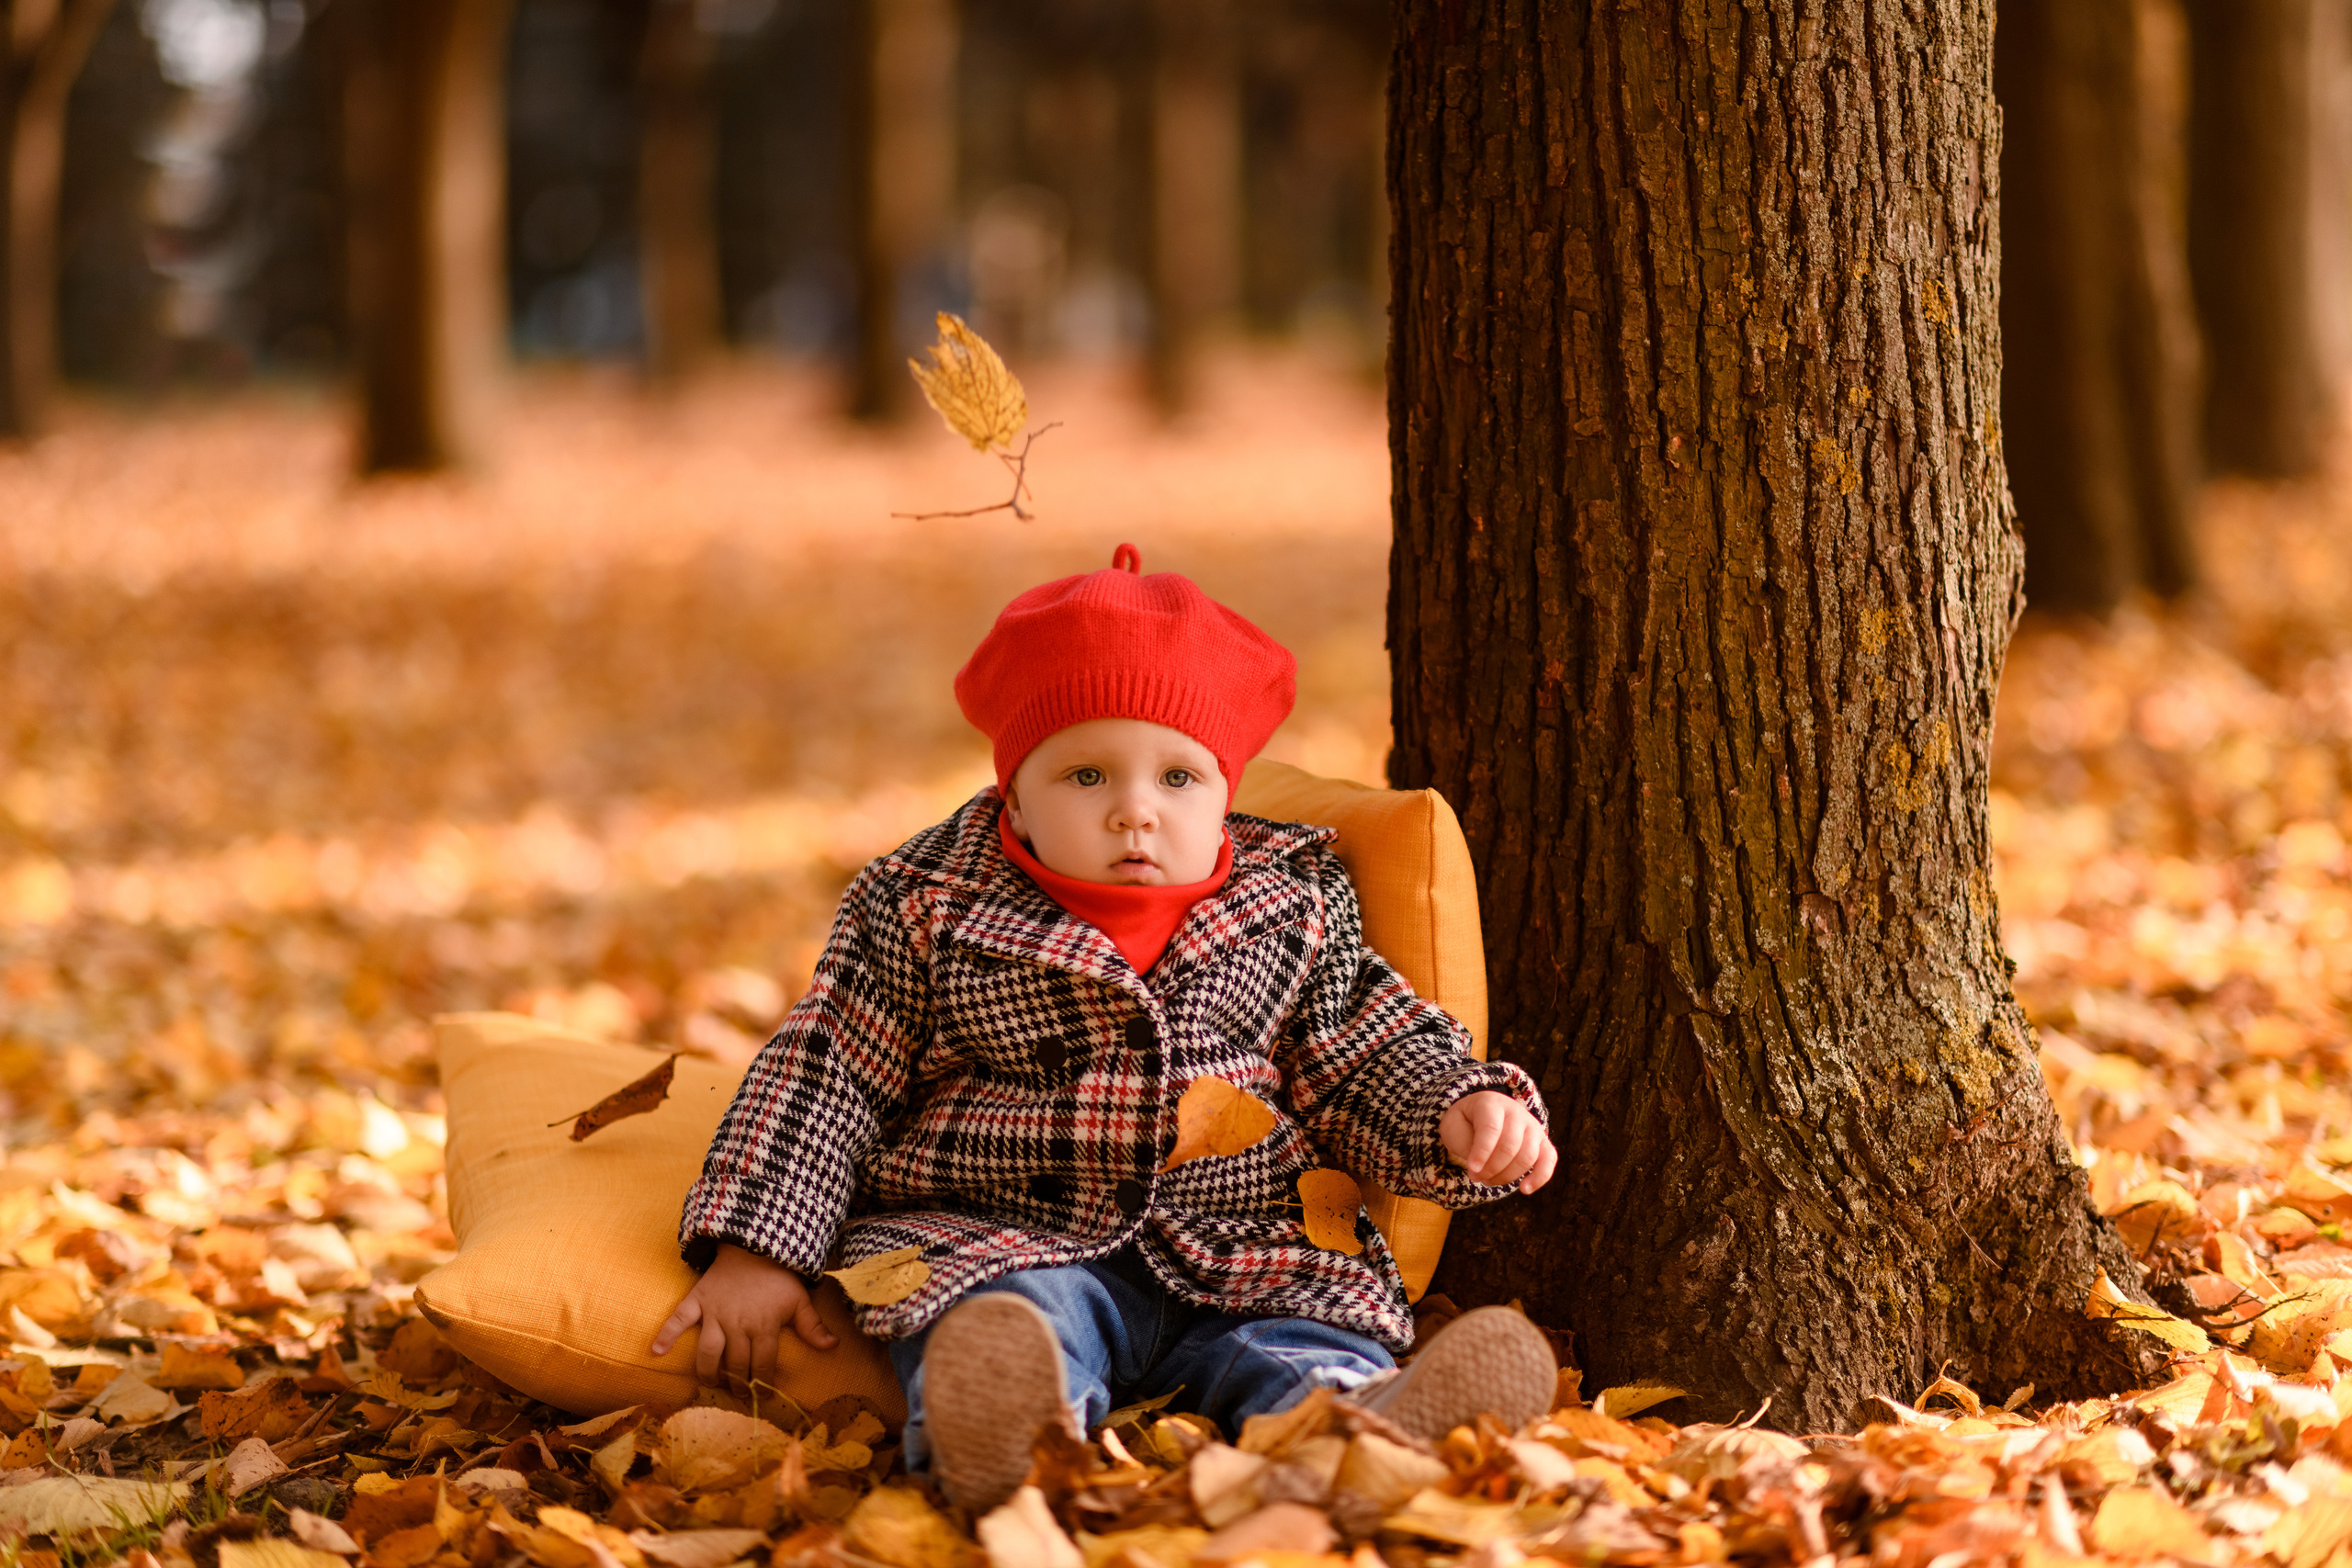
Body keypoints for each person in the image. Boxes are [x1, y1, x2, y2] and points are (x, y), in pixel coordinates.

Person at [652, 545, 1559, 1511]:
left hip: (1240, 1242)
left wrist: (1456, 1109)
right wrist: (757, 1247)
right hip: (1010, 1231)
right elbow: (829, 1074)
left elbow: (1360, 1044)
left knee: (1303, 1344)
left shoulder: (1289, 905)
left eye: (1178, 779)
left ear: (1225, 791)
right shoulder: (927, 905)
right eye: (1086, 777)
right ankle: (1015, 1444)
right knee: (1002, 1325)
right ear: (1016, 789)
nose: (1135, 812)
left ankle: (1352, 1441)